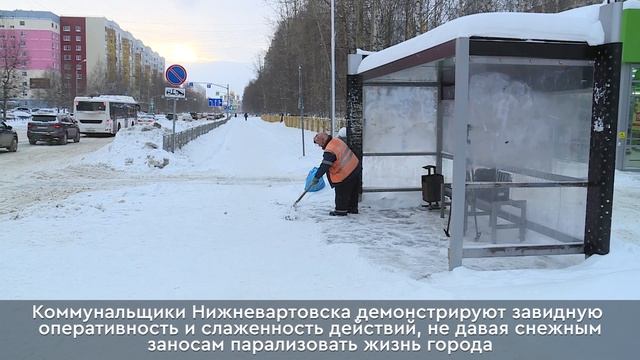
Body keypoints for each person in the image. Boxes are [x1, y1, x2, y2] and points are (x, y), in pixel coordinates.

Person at [310, 132, 361, 216]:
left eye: (319, 144)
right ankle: (352, 208)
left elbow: (325, 165)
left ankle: (340, 211)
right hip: (355, 167)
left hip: (345, 174)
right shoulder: (336, 140)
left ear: (323, 141)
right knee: (352, 192)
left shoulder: (330, 150)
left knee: (342, 193)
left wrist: (316, 177)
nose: (320, 146)